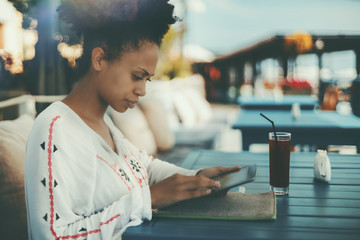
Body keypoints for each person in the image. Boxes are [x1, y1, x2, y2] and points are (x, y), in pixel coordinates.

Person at [24, 0, 239, 239]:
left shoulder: (105, 125)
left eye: (147, 79)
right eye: (137, 76)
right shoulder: (55, 128)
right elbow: (54, 235)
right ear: (99, 59)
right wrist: (150, 198)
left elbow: (142, 167)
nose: (142, 90)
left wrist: (195, 177)